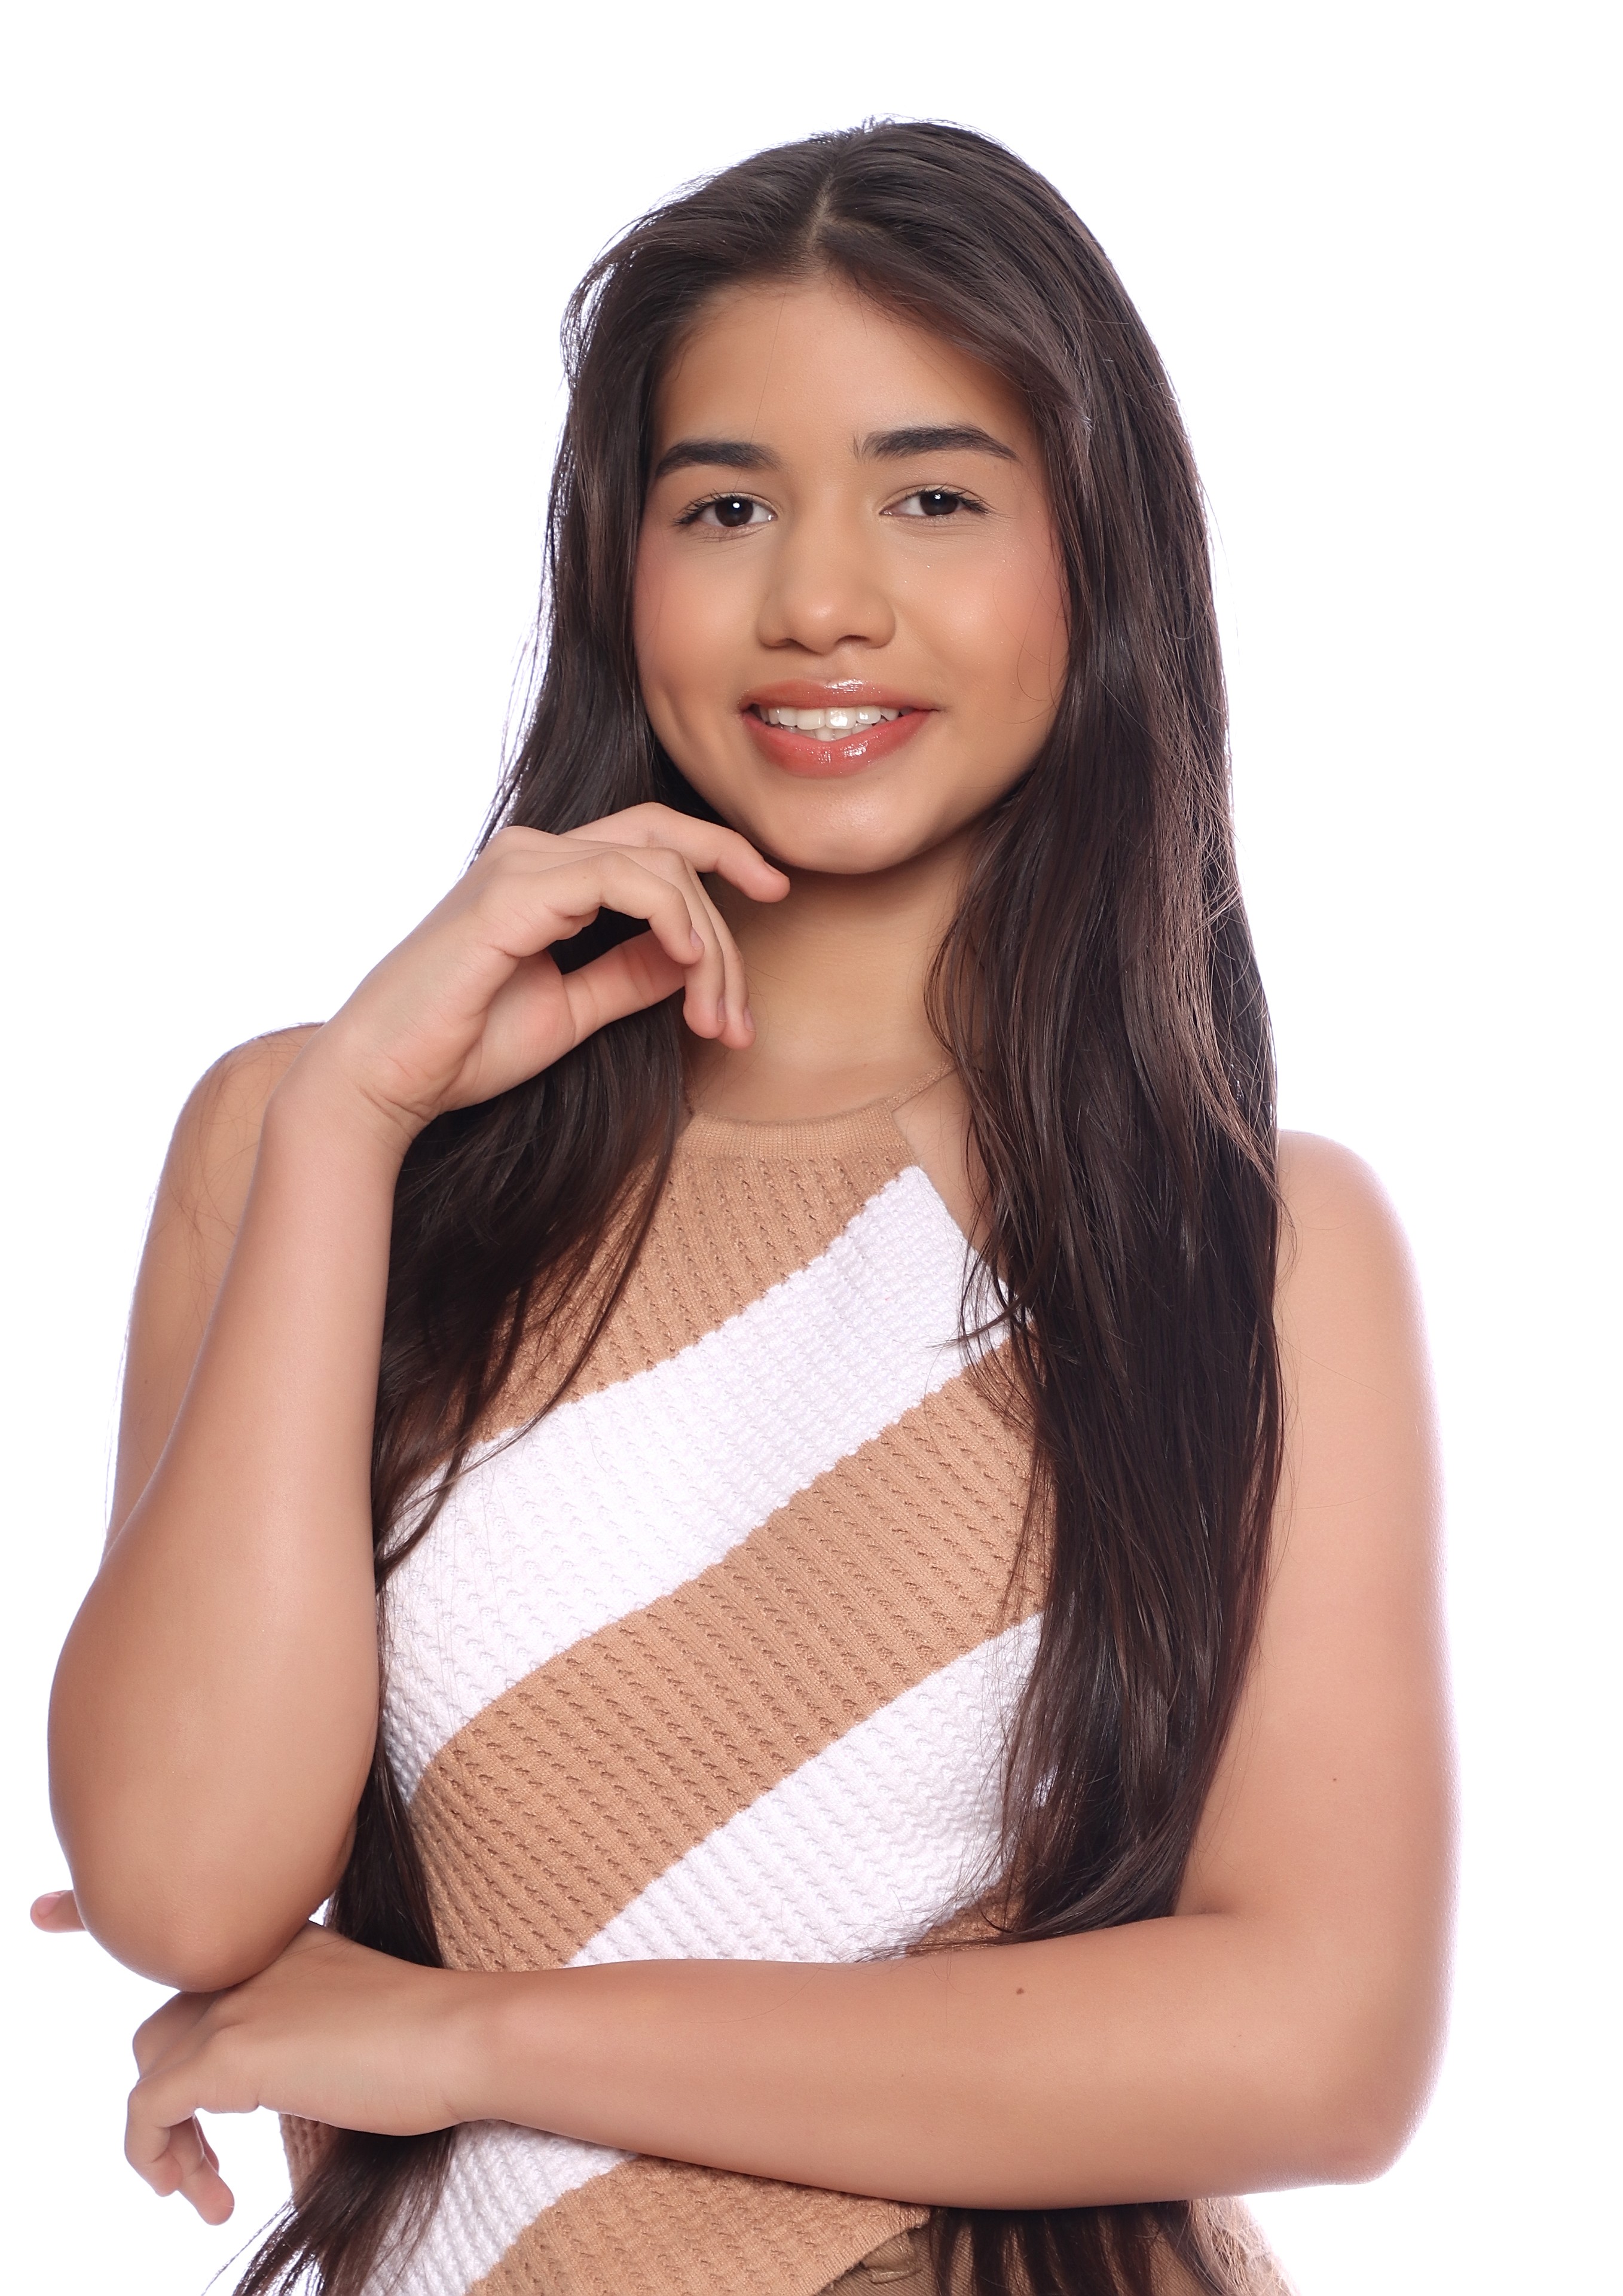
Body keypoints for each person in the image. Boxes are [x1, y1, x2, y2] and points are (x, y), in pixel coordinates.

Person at [36, 121, 1453, 2296]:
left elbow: (1313, 2047)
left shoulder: (1239, 1244)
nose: (819, 600)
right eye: (723, 506)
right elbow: (181, 1885)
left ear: (1098, 556)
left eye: (932, 496)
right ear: (617, 570)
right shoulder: (308, 1144)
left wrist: (470, 2035)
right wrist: (348, 1130)